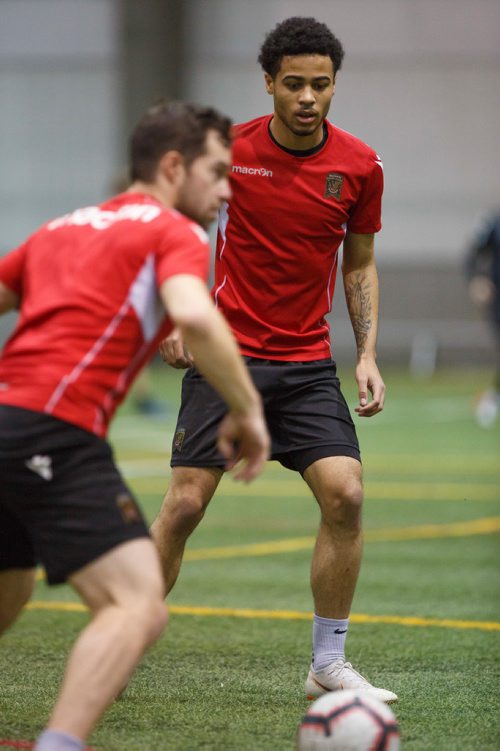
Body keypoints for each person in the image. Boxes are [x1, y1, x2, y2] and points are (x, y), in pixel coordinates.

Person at [0, 100, 269, 751]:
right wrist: (249, 409)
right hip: (52, 430)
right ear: (174, 166)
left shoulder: (61, 225)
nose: (228, 189)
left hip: (8, 418)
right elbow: (198, 317)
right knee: (137, 602)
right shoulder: (175, 231)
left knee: (10, 582)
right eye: (218, 171)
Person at [152, 17, 397, 704]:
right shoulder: (227, 153)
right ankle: (125, 628)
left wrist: (368, 352)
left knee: (346, 494)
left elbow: (362, 262)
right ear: (268, 83)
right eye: (294, 84)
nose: (308, 97)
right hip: (224, 356)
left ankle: (328, 661)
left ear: (334, 84)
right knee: (184, 507)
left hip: (306, 363)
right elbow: (176, 228)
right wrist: (178, 312)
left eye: (321, 84)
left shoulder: (359, 166)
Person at [465, 210, 500, 427]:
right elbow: (472, 254)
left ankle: (492, 399)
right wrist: (477, 278)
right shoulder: (494, 223)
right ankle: (492, 399)